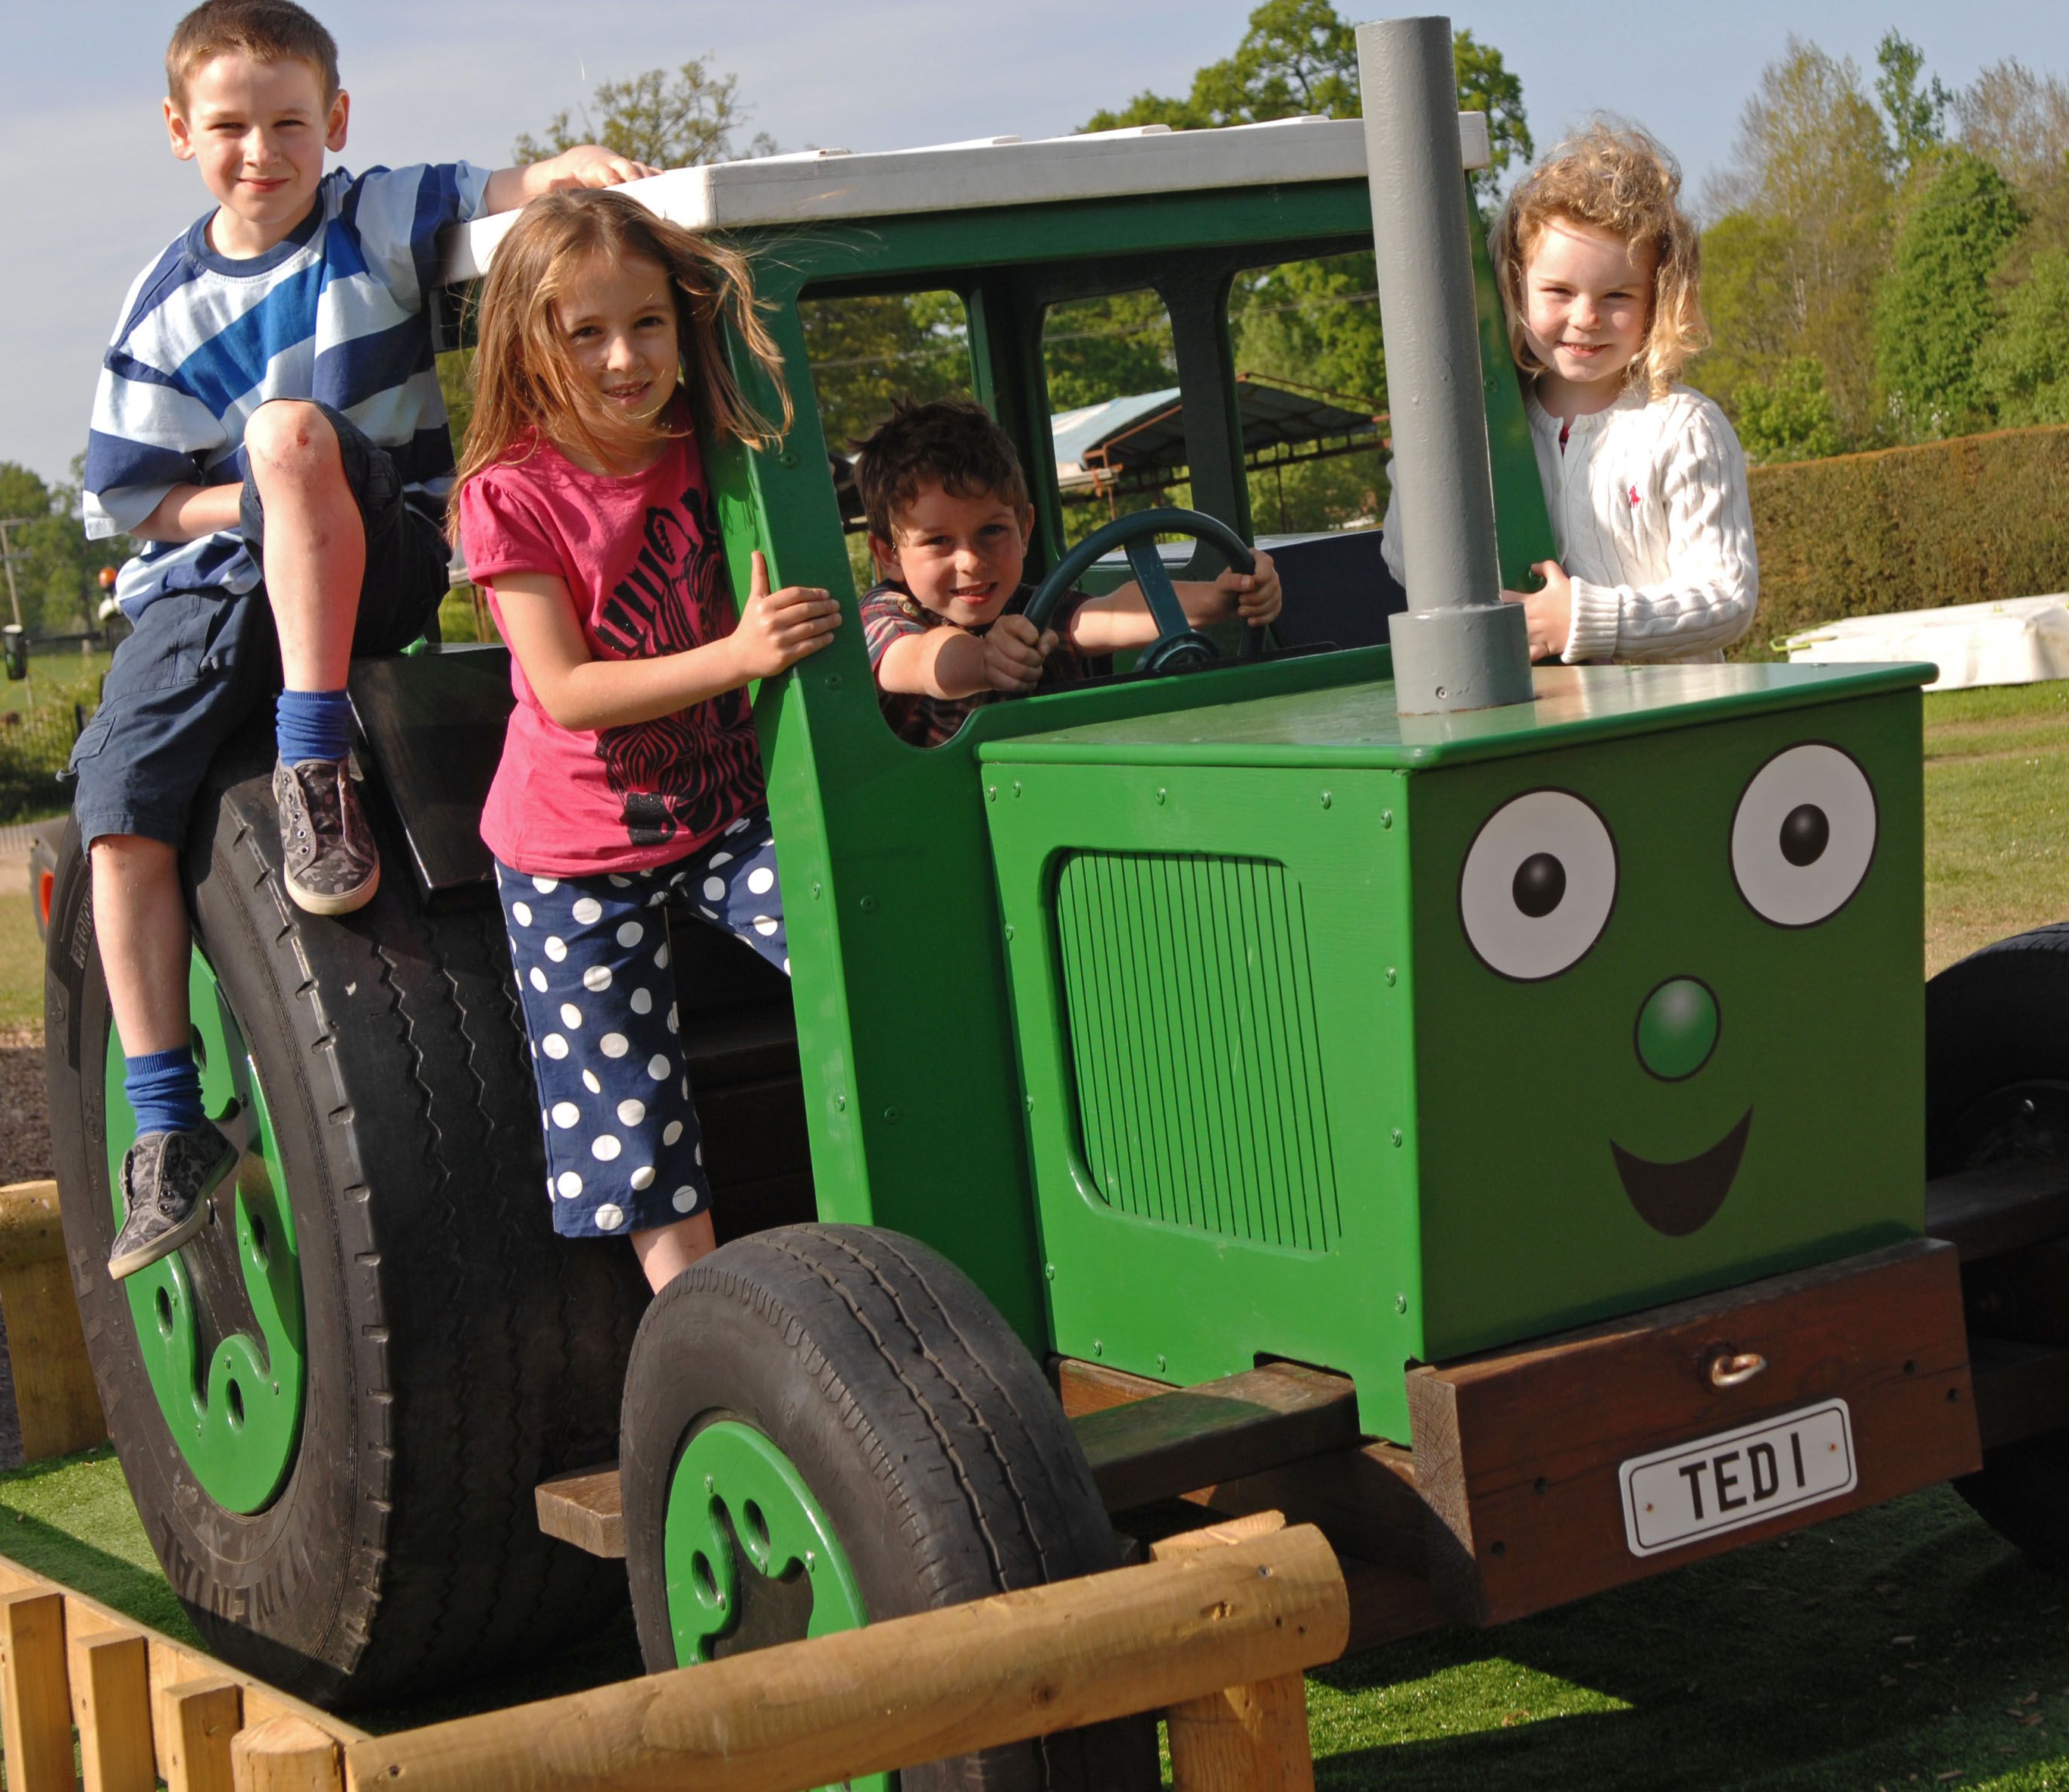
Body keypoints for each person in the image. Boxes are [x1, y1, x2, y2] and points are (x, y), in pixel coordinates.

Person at [77, 0, 652, 1283]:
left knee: (292, 432)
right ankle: (167, 1126)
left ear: (335, 121)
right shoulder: (161, 306)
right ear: (179, 130)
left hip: (375, 544)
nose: (261, 151)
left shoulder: (370, 222)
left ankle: (313, 758)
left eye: (290, 122)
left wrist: (563, 169)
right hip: (219, 572)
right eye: (229, 125)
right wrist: (273, 500)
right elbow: (138, 495)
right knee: (114, 811)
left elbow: (493, 186)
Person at [454, 189, 844, 1287]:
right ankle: (699, 1322)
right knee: (627, 1121)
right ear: (529, 345)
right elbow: (568, 690)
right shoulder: (509, 493)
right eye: (586, 333)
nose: (624, 359)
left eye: (647, 325)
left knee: (854, 942)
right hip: (571, 850)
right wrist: (737, 657)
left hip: (722, 810)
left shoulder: (718, 446)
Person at [1386, 117, 1758, 662]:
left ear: (1658, 300)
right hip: (1535, 720)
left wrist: (1583, 621)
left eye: (1617, 296)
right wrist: (1419, 456)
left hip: (1670, 729)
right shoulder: (1487, 427)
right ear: (1515, 286)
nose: (1586, 318)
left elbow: (1727, 600)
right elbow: (1406, 563)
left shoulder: (1685, 430)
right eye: (1558, 291)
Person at [853, 399, 1281, 747]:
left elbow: (1110, 614)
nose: (970, 560)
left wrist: (1225, 598)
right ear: (888, 554)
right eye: (938, 541)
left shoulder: (1030, 607)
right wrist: (985, 660)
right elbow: (923, 659)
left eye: (992, 531)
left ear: (1024, 531)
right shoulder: (885, 615)